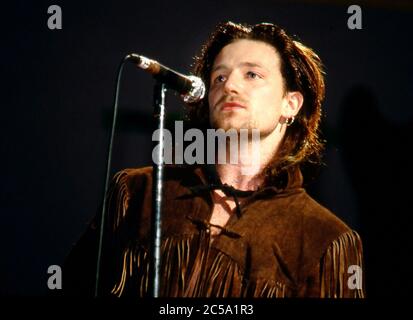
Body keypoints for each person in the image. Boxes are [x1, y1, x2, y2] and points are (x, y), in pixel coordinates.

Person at [63, 21, 365, 298]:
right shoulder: (138, 191)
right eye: (219, 76)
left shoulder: (324, 239)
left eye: (252, 74)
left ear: (291, 104)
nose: (229, 86)